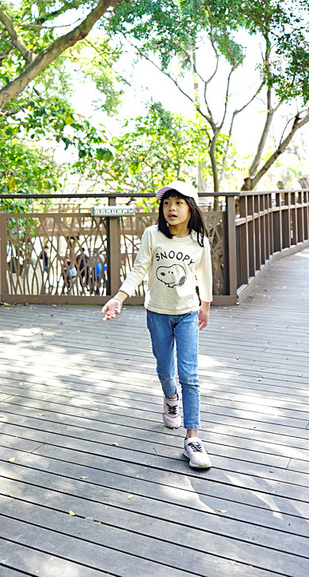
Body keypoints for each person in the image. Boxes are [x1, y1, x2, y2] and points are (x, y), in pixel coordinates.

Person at [101, 180, 214, 470]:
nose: (171, 208)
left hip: (188, 313)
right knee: (165, 369)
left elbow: (204, 275)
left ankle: (193, 439)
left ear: (191, 208)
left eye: (178, 203)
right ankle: (170, 398)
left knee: (189, 374)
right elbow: (139, 269)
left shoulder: (200, 241)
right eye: (167, 203)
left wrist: (205, 305)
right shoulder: (152, 235)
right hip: (158, 313)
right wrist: (119, 298)